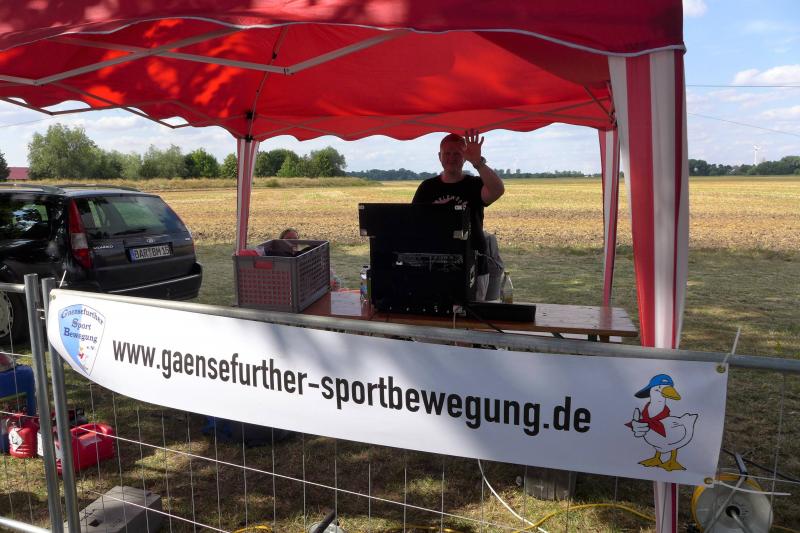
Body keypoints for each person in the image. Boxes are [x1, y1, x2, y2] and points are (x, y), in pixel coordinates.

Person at [412, 129, 505, 300]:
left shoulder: (475, 184)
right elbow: (413, 222)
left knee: (472, 315)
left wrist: (478, 162)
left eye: (457, 153)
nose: (451, 158)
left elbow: (497, 190)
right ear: (439, 156)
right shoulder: (427, 188)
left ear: (465, 157)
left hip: (474, 268)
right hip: (435, 265)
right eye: (447, 153)